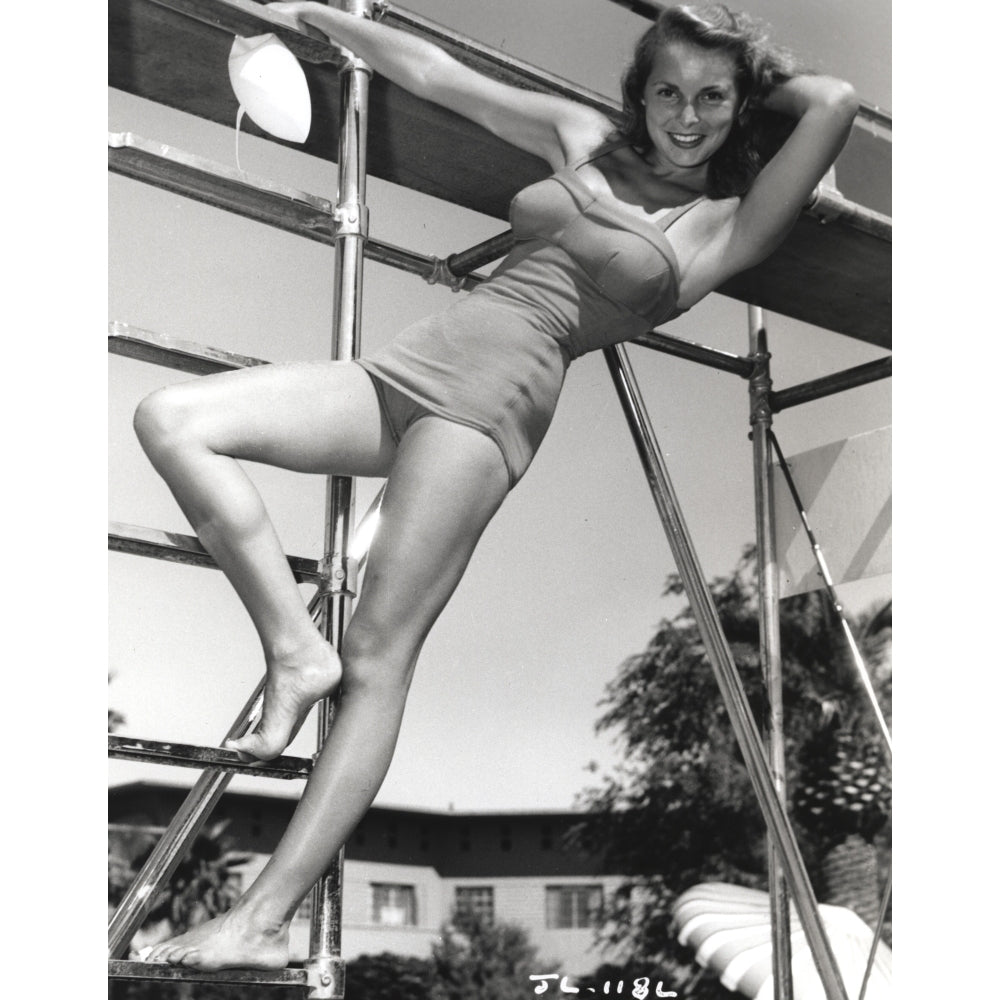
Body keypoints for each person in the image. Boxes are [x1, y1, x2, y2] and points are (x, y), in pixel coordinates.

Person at [135, 1, 858, 971]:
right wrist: (315, 13)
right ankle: (289, 647)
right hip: (404, 370)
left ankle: (261, 919)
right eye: (666, 91)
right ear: (636, 95)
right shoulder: (582, 138)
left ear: (740, 103)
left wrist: (734, 50)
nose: (686, 114)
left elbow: (833, 100)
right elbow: (436, 74)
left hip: (485, 412)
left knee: (380, 656)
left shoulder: (727, 225)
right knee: (174, 419)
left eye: (711, 96)